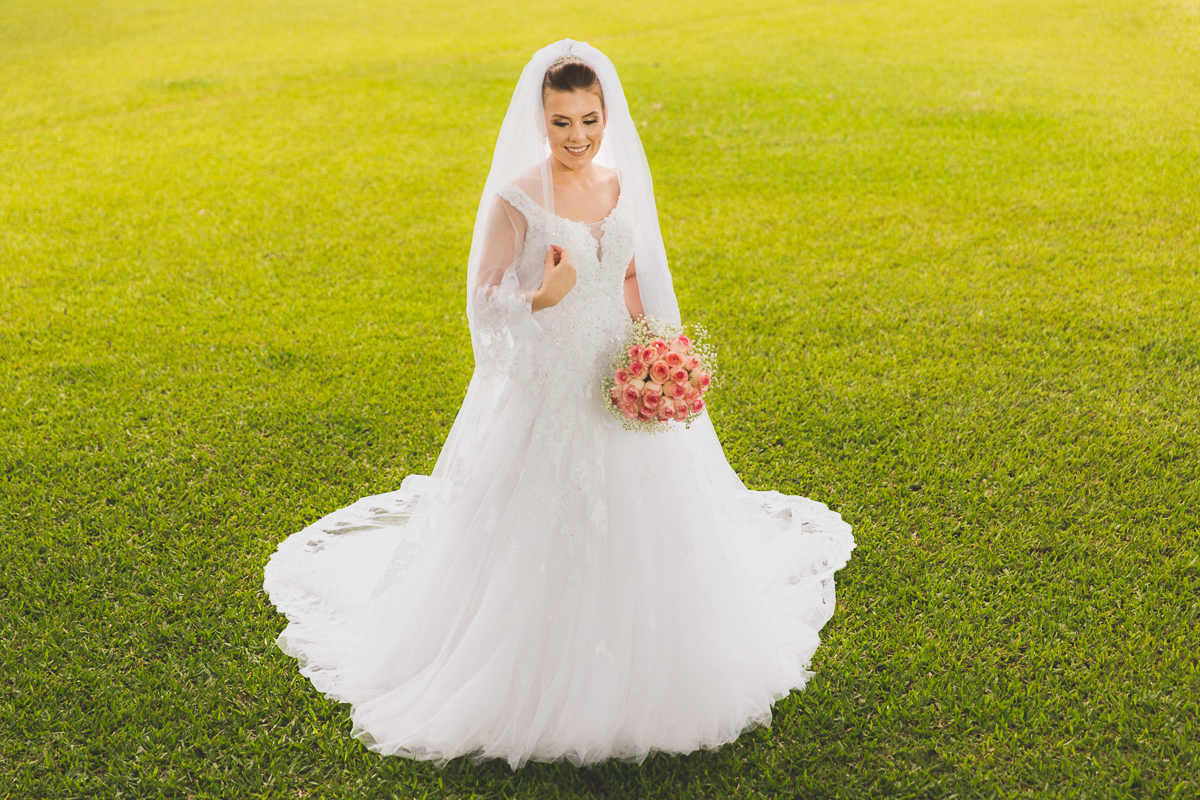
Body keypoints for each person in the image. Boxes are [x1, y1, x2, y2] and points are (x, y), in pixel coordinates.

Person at [263, 39, 855, 770]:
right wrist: (543, 296)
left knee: (648, 513)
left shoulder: (617, 184)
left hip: (620, 373)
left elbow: (630, 276)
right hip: (552, 383)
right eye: (562, 122)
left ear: (608, 116)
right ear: (540, 121)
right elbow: (483, 300)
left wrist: (655, 353)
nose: (578, 137)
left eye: (589, 120)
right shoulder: (517, 198)